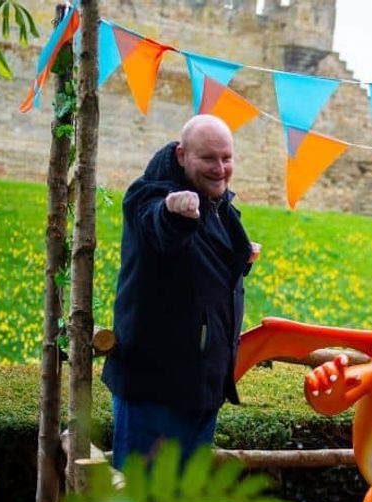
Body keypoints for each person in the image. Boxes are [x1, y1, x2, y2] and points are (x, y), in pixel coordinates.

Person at [103, 114, 261, 470]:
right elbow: (160, 229)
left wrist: (242, 257)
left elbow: (200, 270)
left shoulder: (220, 207)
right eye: (208, 158)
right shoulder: (148, 194)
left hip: (203, 392)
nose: (220, 168)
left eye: (226, 157)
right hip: (156, 394)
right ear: (181, 156)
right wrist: (174, 212)